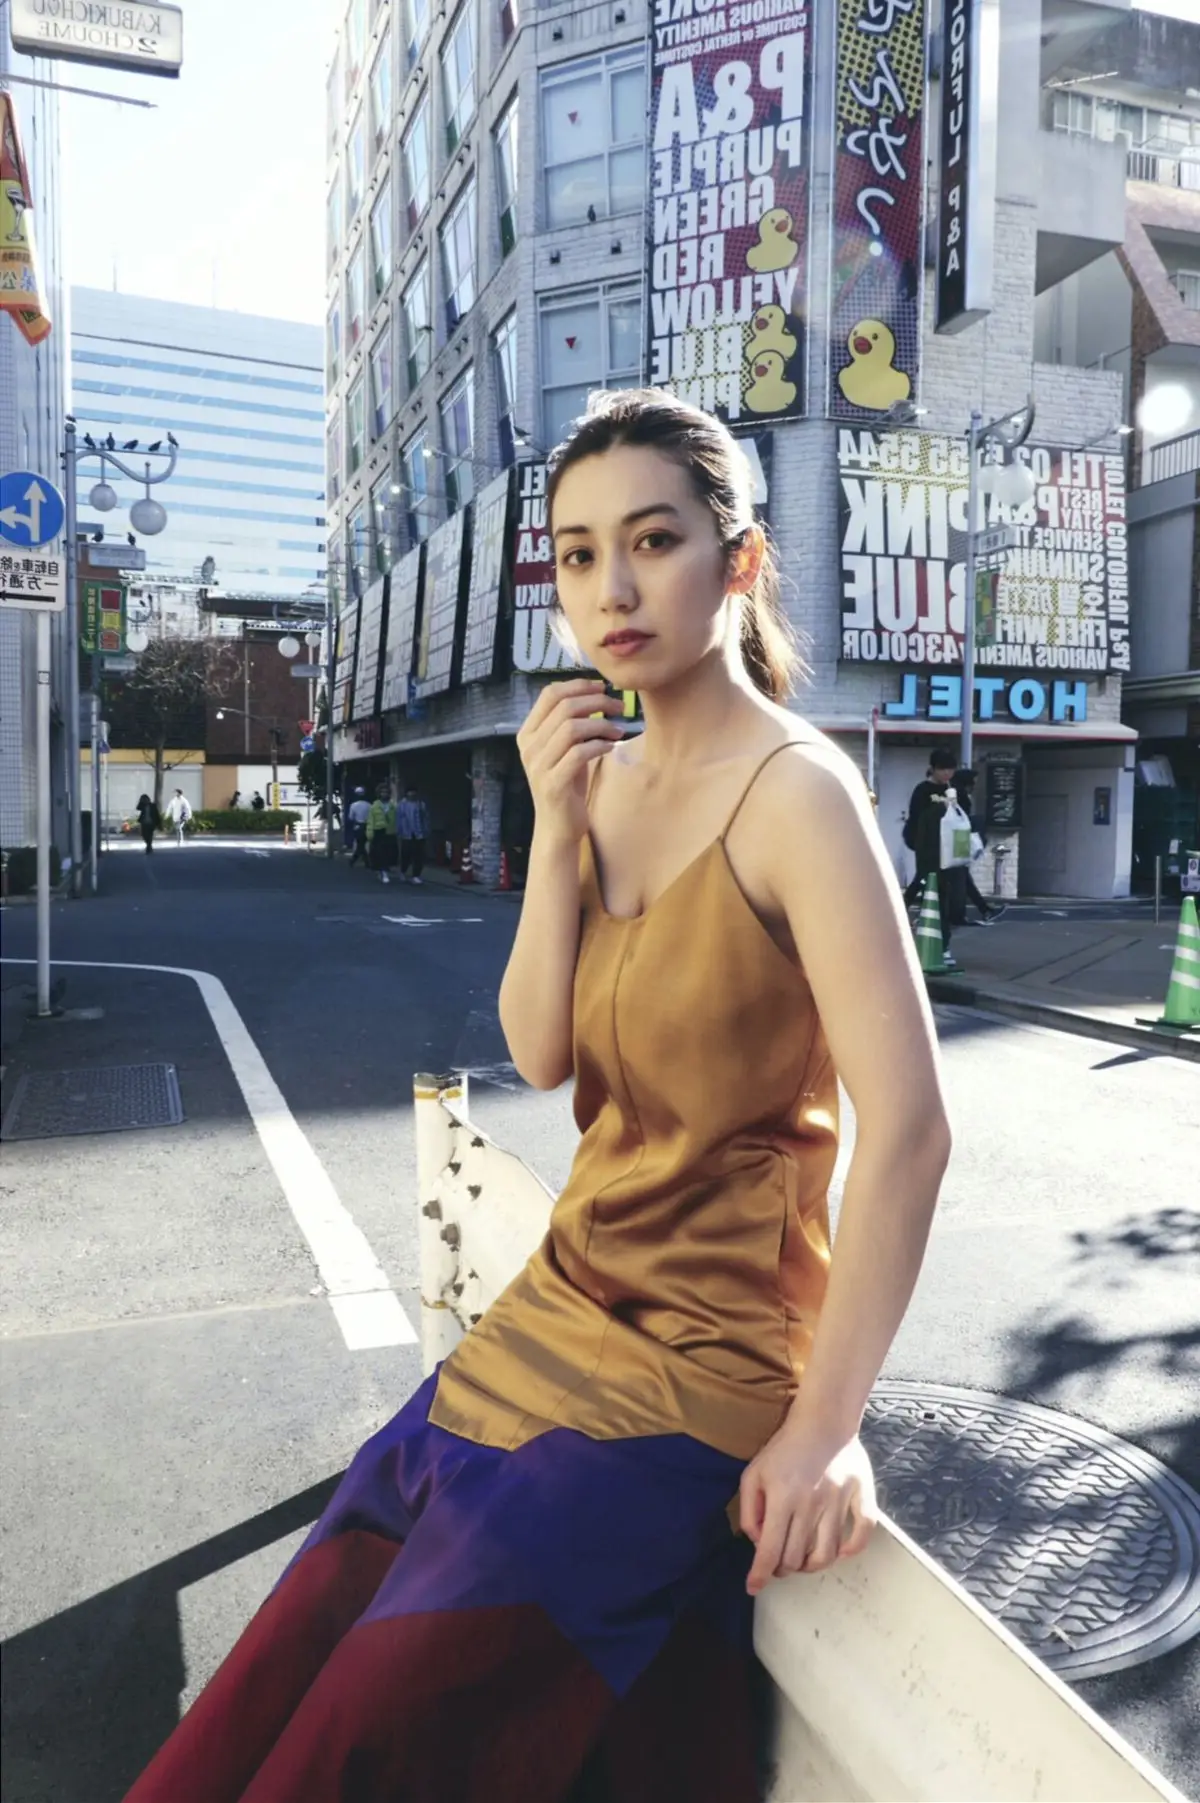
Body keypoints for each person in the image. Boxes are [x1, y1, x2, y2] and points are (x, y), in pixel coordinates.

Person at [125, 390, 951, 1803]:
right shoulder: (599, 782)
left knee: (376, 1717)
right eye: (576, 554)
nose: (610, 589)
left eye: (653, 540)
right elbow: (542, 1047)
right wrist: (557, 828)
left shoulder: (802, 797)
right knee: (322, 1607)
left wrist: (824, 1428)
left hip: (706, 1359)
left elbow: (914, 1130)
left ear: (740, 561)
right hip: (560, 1307)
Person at [902, 748, 957, 964]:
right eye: (943, 769)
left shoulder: (952, 790)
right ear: (933, 769)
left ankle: (942, 945)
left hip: (947, 850)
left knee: (941, 894)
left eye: (950, 769)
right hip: (927, 848)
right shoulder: (922, 790)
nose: (947, 774)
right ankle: (938, 945)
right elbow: (917, 819)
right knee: (931, 890)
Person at [950, 768, 1007, 926]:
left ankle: (983, 909)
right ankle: (967, 913)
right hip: (958, 840)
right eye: (973, 782)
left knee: (963, 878)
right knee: (960, 878)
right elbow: (962, 820)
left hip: (954, 840)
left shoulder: (953, 794)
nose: (974, 786)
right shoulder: (961, 796)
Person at [396, 783, 429, 884]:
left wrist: (426, 831)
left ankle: (416, 875)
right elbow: (398, 820)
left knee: (418, 856)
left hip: (419, 834)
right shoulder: (401, 805)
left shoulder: (421, 804)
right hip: (406, 834)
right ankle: (403, 871)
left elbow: (425, 818)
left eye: (414, 792)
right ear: (406, 793)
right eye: (410, 792)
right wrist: (399, 831)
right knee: (406, 854)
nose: (412, 794)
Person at [367, 782, 398, 885]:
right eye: (382, 792)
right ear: (379, 793)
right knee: (380, 853)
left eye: (386, 792)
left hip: (390, 831)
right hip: (378, 831)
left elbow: (396, 819)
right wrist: (370, 833)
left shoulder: (392, 806)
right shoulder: (374, 806)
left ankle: (384, 870)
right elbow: (370, 820)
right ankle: (383, 872)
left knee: (389, 853)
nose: (384, 794)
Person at [346, 786, 370, 864]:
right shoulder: (368, 805)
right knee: (362, 844)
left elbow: (351, 817)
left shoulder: (353, 805)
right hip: (367, 826)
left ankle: (354, 860)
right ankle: (366, 861)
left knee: (360, 844)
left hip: (358, 826)